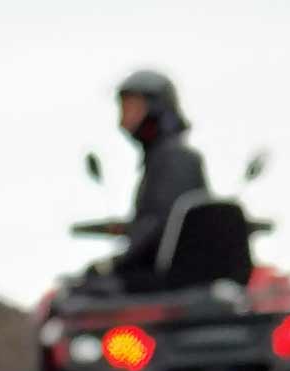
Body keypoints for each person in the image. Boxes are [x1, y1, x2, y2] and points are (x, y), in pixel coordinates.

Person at [86, 69, 210, 294]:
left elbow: (161, 225)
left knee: (77, 294)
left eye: (131, 107)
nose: (123, 119)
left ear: (156, 108)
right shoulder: (165, 158)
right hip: (174, 277)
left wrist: (117, 263)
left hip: (167, 281)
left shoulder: (174, 158)